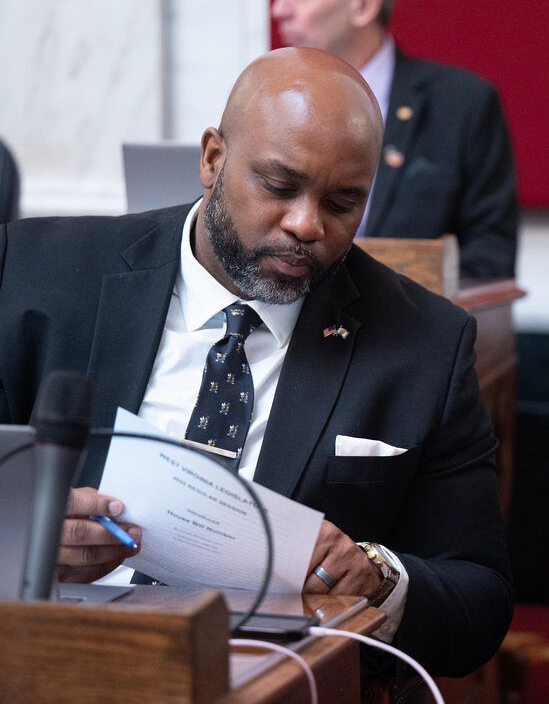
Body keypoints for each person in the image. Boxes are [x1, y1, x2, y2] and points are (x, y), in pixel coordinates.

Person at [0, 48, 512, 686]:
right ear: (214, 160)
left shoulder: (423, 343)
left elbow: (480, 600)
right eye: (279, 186)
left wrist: (379, 575)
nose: (306, 225)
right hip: (47, 654)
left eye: (343, 203)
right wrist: (26, 541)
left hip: (272, 676)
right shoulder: (34, 274)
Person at [272, 0, 518, 278]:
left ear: (364, 3)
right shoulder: (269, 102)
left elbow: (489, 259)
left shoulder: (461, 106)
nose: (279, 8)